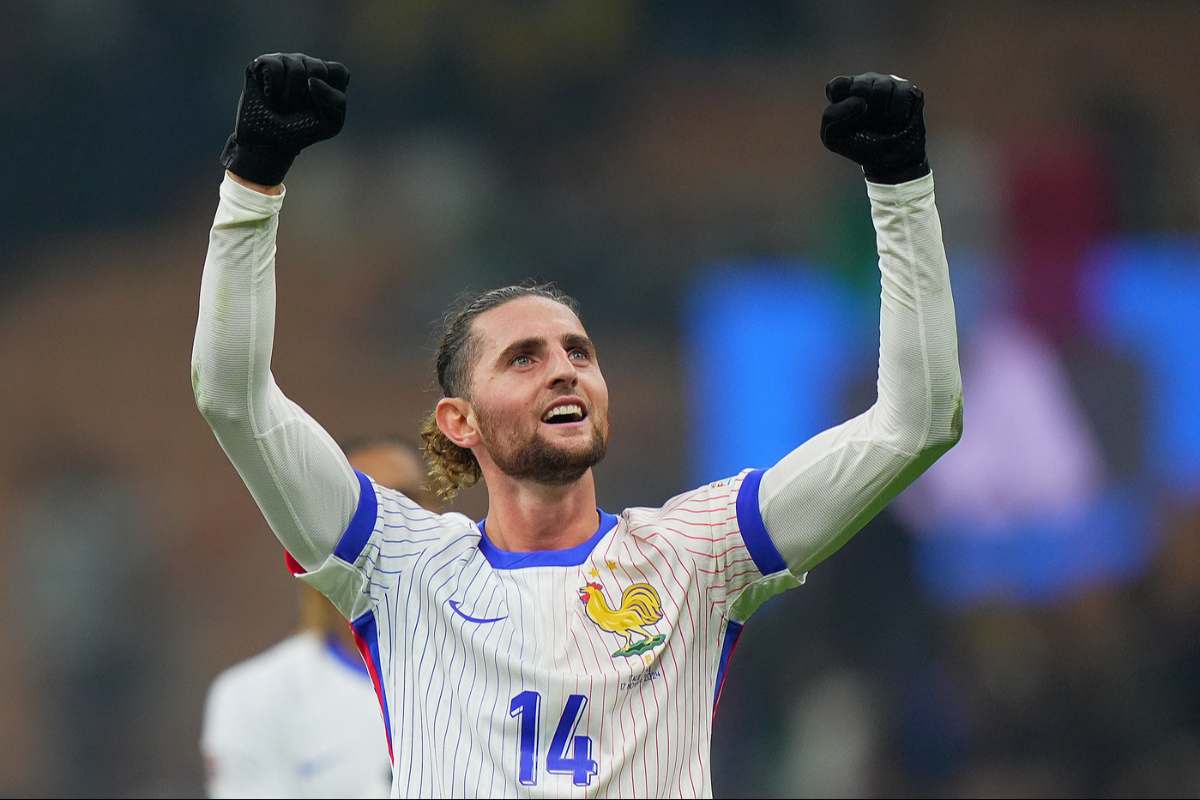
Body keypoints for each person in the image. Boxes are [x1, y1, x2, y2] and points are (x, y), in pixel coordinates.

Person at [192, 53, 962, 798]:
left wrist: (901, 189)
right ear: (459, 422)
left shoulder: (697, 552)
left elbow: (916, 423)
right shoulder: (397, 563)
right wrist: (252, 183)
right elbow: (233, 397)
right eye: (522, 359)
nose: (563, 369)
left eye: (578, 352)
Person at [200, 437, 437, 798]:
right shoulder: (256, 696)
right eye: (360, 510)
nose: (388, 524)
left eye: (407, 502)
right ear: (313, 531)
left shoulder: (498, 666)